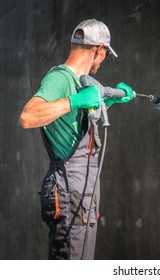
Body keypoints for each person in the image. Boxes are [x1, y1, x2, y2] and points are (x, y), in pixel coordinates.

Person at [19, 19, 134, 259]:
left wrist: (107, 102)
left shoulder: (77, 83)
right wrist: (76, 101)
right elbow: (28, 117)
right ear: (99, 49)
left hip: (81, 191)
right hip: (69, 186)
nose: (102, 62)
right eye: (104, 55)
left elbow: (70, 124)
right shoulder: (60, 78)